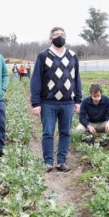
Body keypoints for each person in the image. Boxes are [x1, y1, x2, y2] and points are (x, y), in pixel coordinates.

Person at [31, 27, 82, 172]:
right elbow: (36, 81)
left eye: (62, 34)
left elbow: (76, 78)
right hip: (48, 102)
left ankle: (61, 161)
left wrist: (78, 100)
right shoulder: (43, 56)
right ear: (50, 38)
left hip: (67, 102)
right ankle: (48, 162)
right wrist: (36, 103)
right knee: (48, 132)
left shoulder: (72, 56)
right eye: (56, 35)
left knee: (65, 132)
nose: (60, 37)